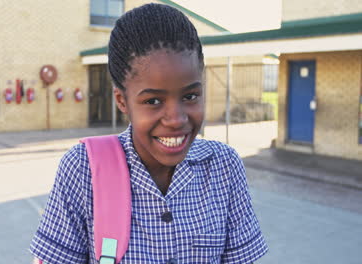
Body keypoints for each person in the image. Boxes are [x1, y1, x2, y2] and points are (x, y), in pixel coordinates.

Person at [30, 3, 268, 263]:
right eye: (154, 101)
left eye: (190, 96)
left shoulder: (223, 167)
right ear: (122, 101)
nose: (176, 119)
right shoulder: (84, 168)